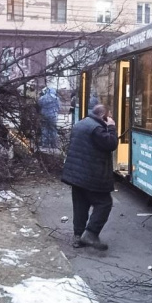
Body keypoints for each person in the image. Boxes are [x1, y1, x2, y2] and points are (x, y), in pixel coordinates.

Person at [61, 104, 118, 250]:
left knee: (80, 205)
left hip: (76, 174)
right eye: (109, 115)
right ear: (103, 116)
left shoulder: (81, 123)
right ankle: (91, 233)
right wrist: (111, 127)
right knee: (104, 203)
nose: (111, 118)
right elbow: (111, 144)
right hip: (91, 175)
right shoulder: (97, 129)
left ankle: (78, 237)